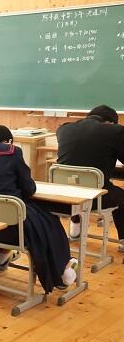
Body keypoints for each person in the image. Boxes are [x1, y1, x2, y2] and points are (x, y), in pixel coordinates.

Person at [0, 125, 77, 291]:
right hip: (13, 229)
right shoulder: (11, 152)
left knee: (0, 212)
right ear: (8, 141)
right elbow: (29, 189)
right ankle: (63, 271)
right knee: (50, 220)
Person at [57, 105, 124, 251]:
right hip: (95, 197)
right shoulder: (115, 131)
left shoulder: (64, 128)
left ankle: (75, 230)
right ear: (110, 123)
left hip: (64, 196)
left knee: (78, 183)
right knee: (120, 196)